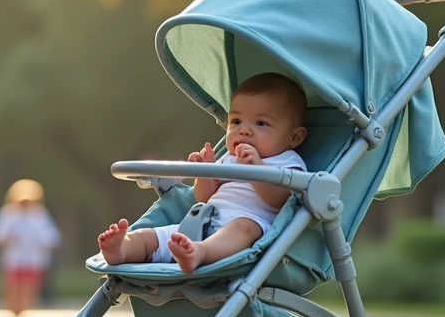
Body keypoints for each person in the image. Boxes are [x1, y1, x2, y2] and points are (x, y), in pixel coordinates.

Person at [97, 72, 307, 273]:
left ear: (294, 137)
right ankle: (123, 248)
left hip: (246, 225)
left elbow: (281, 200)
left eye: (261, 123)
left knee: (242, 229)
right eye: (236, 121)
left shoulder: (287, 161)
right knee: (153, 236)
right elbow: (203, 198)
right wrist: (205, 173)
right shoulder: (228, 159)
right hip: (202, 221)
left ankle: (200, 253)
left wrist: (257, 169)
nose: (244, 130)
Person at [0, 179, 61, 317]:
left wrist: (44, 244)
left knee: (28, 289)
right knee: (12, 290)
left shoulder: (39, 215)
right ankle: (14, 315)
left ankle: (22, 316)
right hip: (12, 259)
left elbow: (51, 237)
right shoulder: (7, 214)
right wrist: (6, 240)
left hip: (33, 260)